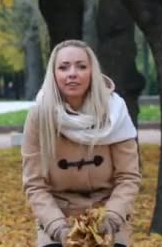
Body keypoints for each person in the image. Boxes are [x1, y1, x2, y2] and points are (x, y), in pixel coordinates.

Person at [22, 40, 141, 247]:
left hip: (107, 212)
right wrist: (57, 226)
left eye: (81, 66)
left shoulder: (115, 112)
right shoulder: (39, 115)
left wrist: (111, 217)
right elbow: (34, 184)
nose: (72, 73)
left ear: (92, 72)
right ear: (54, 74)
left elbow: (129, 177)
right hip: (58, 214)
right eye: (63, 67)